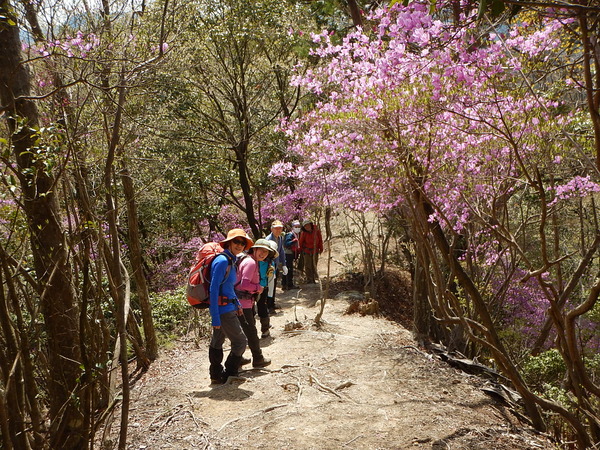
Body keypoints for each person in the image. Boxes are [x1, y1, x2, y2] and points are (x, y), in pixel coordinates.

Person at [207, 229, 253, 384]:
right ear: (229, 242)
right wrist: (215, 318)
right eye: (236, 242)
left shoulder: (231, 260)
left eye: (242, 243)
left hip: (228, 307)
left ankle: (216, 375)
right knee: (240, 341)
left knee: (217, 341)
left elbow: (228, 288)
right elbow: (213, 290)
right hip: (222, 311)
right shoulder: (222, 261)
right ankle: (230, 372)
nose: (239, 245)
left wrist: (237, 304)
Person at [235, 239, 272, 368]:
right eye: (261, 250)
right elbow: (244, 284)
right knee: (251, 331)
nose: (263, 253)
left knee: (242, 332)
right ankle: (258, 358)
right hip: (242, 303)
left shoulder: (250, 260)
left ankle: (238, 358)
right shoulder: (251, 262)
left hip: (242, 302)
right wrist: (258, 288)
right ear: (254, 249)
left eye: (266, 252)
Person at [257, 241, 278, 336]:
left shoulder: (270, 264)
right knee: (252, 310)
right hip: (251, 288)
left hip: (263, 288)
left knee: (262, 308)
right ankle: (251, 332)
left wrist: (270, 295)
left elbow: (271, 279)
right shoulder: (252, 260)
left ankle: (265, 329)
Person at [266, 220, 287, 311]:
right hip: (269, 266)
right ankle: (268, 306)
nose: (278, 230)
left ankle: (272, 303)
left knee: (273, 286)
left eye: (280, 228)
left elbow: (281, 251)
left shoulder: (280, 238)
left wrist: (284, 264)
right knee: (268, 286)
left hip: (276, 265)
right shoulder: (268, 240)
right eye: (276, 228)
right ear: (272, 229)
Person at [298, 219, 323, 284]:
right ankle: (309, 279)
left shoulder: (316, 230)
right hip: (307, 251)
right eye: (305, 226)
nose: (307, 227)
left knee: (314, 264)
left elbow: (320, 239)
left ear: (311, 225)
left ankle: (314, 278)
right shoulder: (304, 233)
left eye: (308, 225)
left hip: (315, 250)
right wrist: (300, 250)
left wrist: (321, 248)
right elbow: (301, 242)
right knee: (307, 265)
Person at [283, 220, 301, 290]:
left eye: (298, 227)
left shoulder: (297, 234)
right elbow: (286, 244)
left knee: (288, 269)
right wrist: (293, 241)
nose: (297, 228)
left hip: (291, 254)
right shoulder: (290, 234)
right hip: (288, 254)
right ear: (293, 227)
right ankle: (289, 284)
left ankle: (284, 284)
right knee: (289, 269)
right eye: (296, 227)